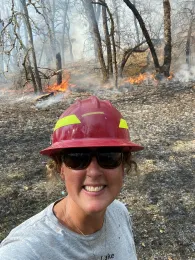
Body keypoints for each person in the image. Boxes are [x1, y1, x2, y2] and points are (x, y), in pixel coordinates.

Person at [0, 96, 144, 260]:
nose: (94, 172)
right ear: (60, 168)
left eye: (109, 156)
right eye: (76, 158)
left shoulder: (120, 214)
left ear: (123, 166)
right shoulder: (28, 250)